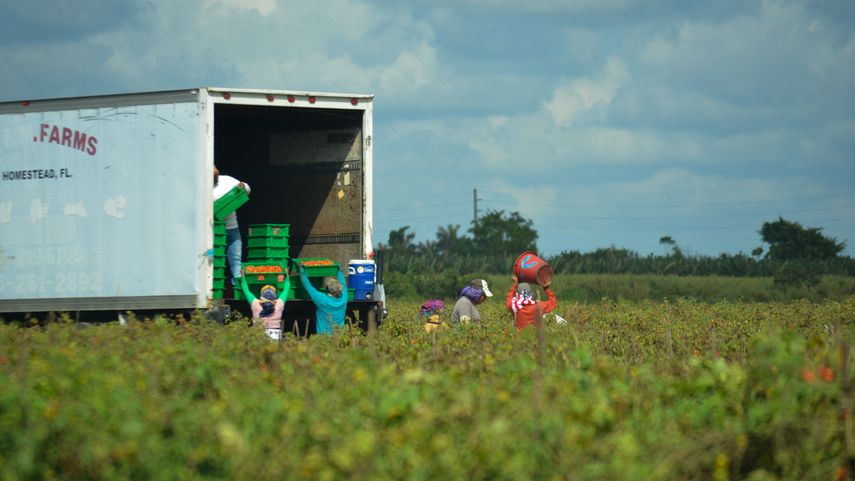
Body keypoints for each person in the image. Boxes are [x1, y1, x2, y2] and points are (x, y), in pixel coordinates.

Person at [213, 166, 251, 285]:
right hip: (212, 231)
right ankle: (213, 288)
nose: (215, 177)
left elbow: (247, 189)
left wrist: (243, 187)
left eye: (215, 174)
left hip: (232, 228)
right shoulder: (202, 187)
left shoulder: (227, 180)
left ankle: (237, 287)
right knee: (213, 260)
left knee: (236, 260)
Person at [298, 264, 348, 335]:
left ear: (327, 289)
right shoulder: (344, 298)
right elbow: (343, 283)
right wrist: (340, 271)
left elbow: (308, 286)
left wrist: (301, 270)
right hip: (339, 338)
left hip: (323, 338)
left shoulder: (322, 299)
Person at [239, 274, 290, 340]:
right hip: (275, 334)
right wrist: (287, 276)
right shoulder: (279, 304)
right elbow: (286, 289)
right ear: (275, 296)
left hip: (258, 333)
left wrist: (243, 276)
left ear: (261, 295)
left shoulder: (255, 303)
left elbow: (245, 289)